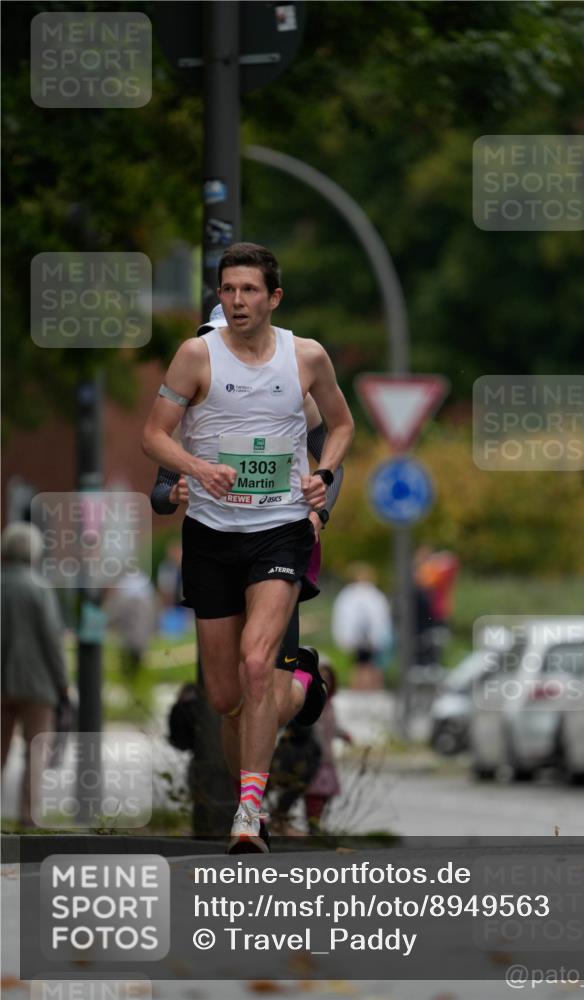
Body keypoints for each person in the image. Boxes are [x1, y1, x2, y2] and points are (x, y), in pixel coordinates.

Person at [142, 242, 354, 852]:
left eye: (249, 290)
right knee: (228, 695)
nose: (236, 301)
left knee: (259, 663)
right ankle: (305, 684)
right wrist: (193, 471)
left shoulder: (304, 358)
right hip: (210, 534)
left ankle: (248, 811)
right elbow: (153, 436)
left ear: (273, 297)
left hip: (281, 527)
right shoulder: (194, 356)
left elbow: (338, 426)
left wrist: (325, 479)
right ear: (218, 297)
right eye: (228, 291)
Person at [1, 523, 69, 827]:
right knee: (36, 752)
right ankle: (29, 817)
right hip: (38, 685)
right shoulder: (39, 589)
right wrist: (63, 683)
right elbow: (52, 641)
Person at [304, 660, 352, 833]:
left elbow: (333, 726)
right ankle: (313, 824)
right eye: (321, 677)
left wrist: (344, 735)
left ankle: (317, 823)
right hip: (312, 757)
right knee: (314, 793)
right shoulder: (309, 701)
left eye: (328, 679)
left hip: (327, 757)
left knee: (325, 793)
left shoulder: (330, 705)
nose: (325, 682)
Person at [331, 563, 392, 690]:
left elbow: (380, 617)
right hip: (358, 636)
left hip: (369, 636)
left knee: (370, 665)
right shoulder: (353, 595)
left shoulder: (371, 595)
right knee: (361, 665)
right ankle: (361, 689)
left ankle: (370, 690)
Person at [104, 569, 157, 679]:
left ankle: (131, 673)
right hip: (139, 618)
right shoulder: (141, 582)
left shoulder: (123, 583)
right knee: (135, 645)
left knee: (131, 645)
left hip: (133, 619)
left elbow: (115, 611)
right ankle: (134, 672)